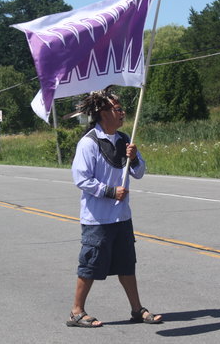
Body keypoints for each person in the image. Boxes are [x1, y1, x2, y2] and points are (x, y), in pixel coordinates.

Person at [66, 88, 162, 328]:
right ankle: (76, 312)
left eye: (122, 109)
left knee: (127, 264)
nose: (122, 113)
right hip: (97, 219)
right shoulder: (89, 143)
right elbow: (81, 179)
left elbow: (139, 173)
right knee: (90, 264)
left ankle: (136, 309)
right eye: (117, 109)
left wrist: (136, 156)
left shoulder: (123, 139)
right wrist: (110, 191)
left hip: (121, 217)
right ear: (103, 113)